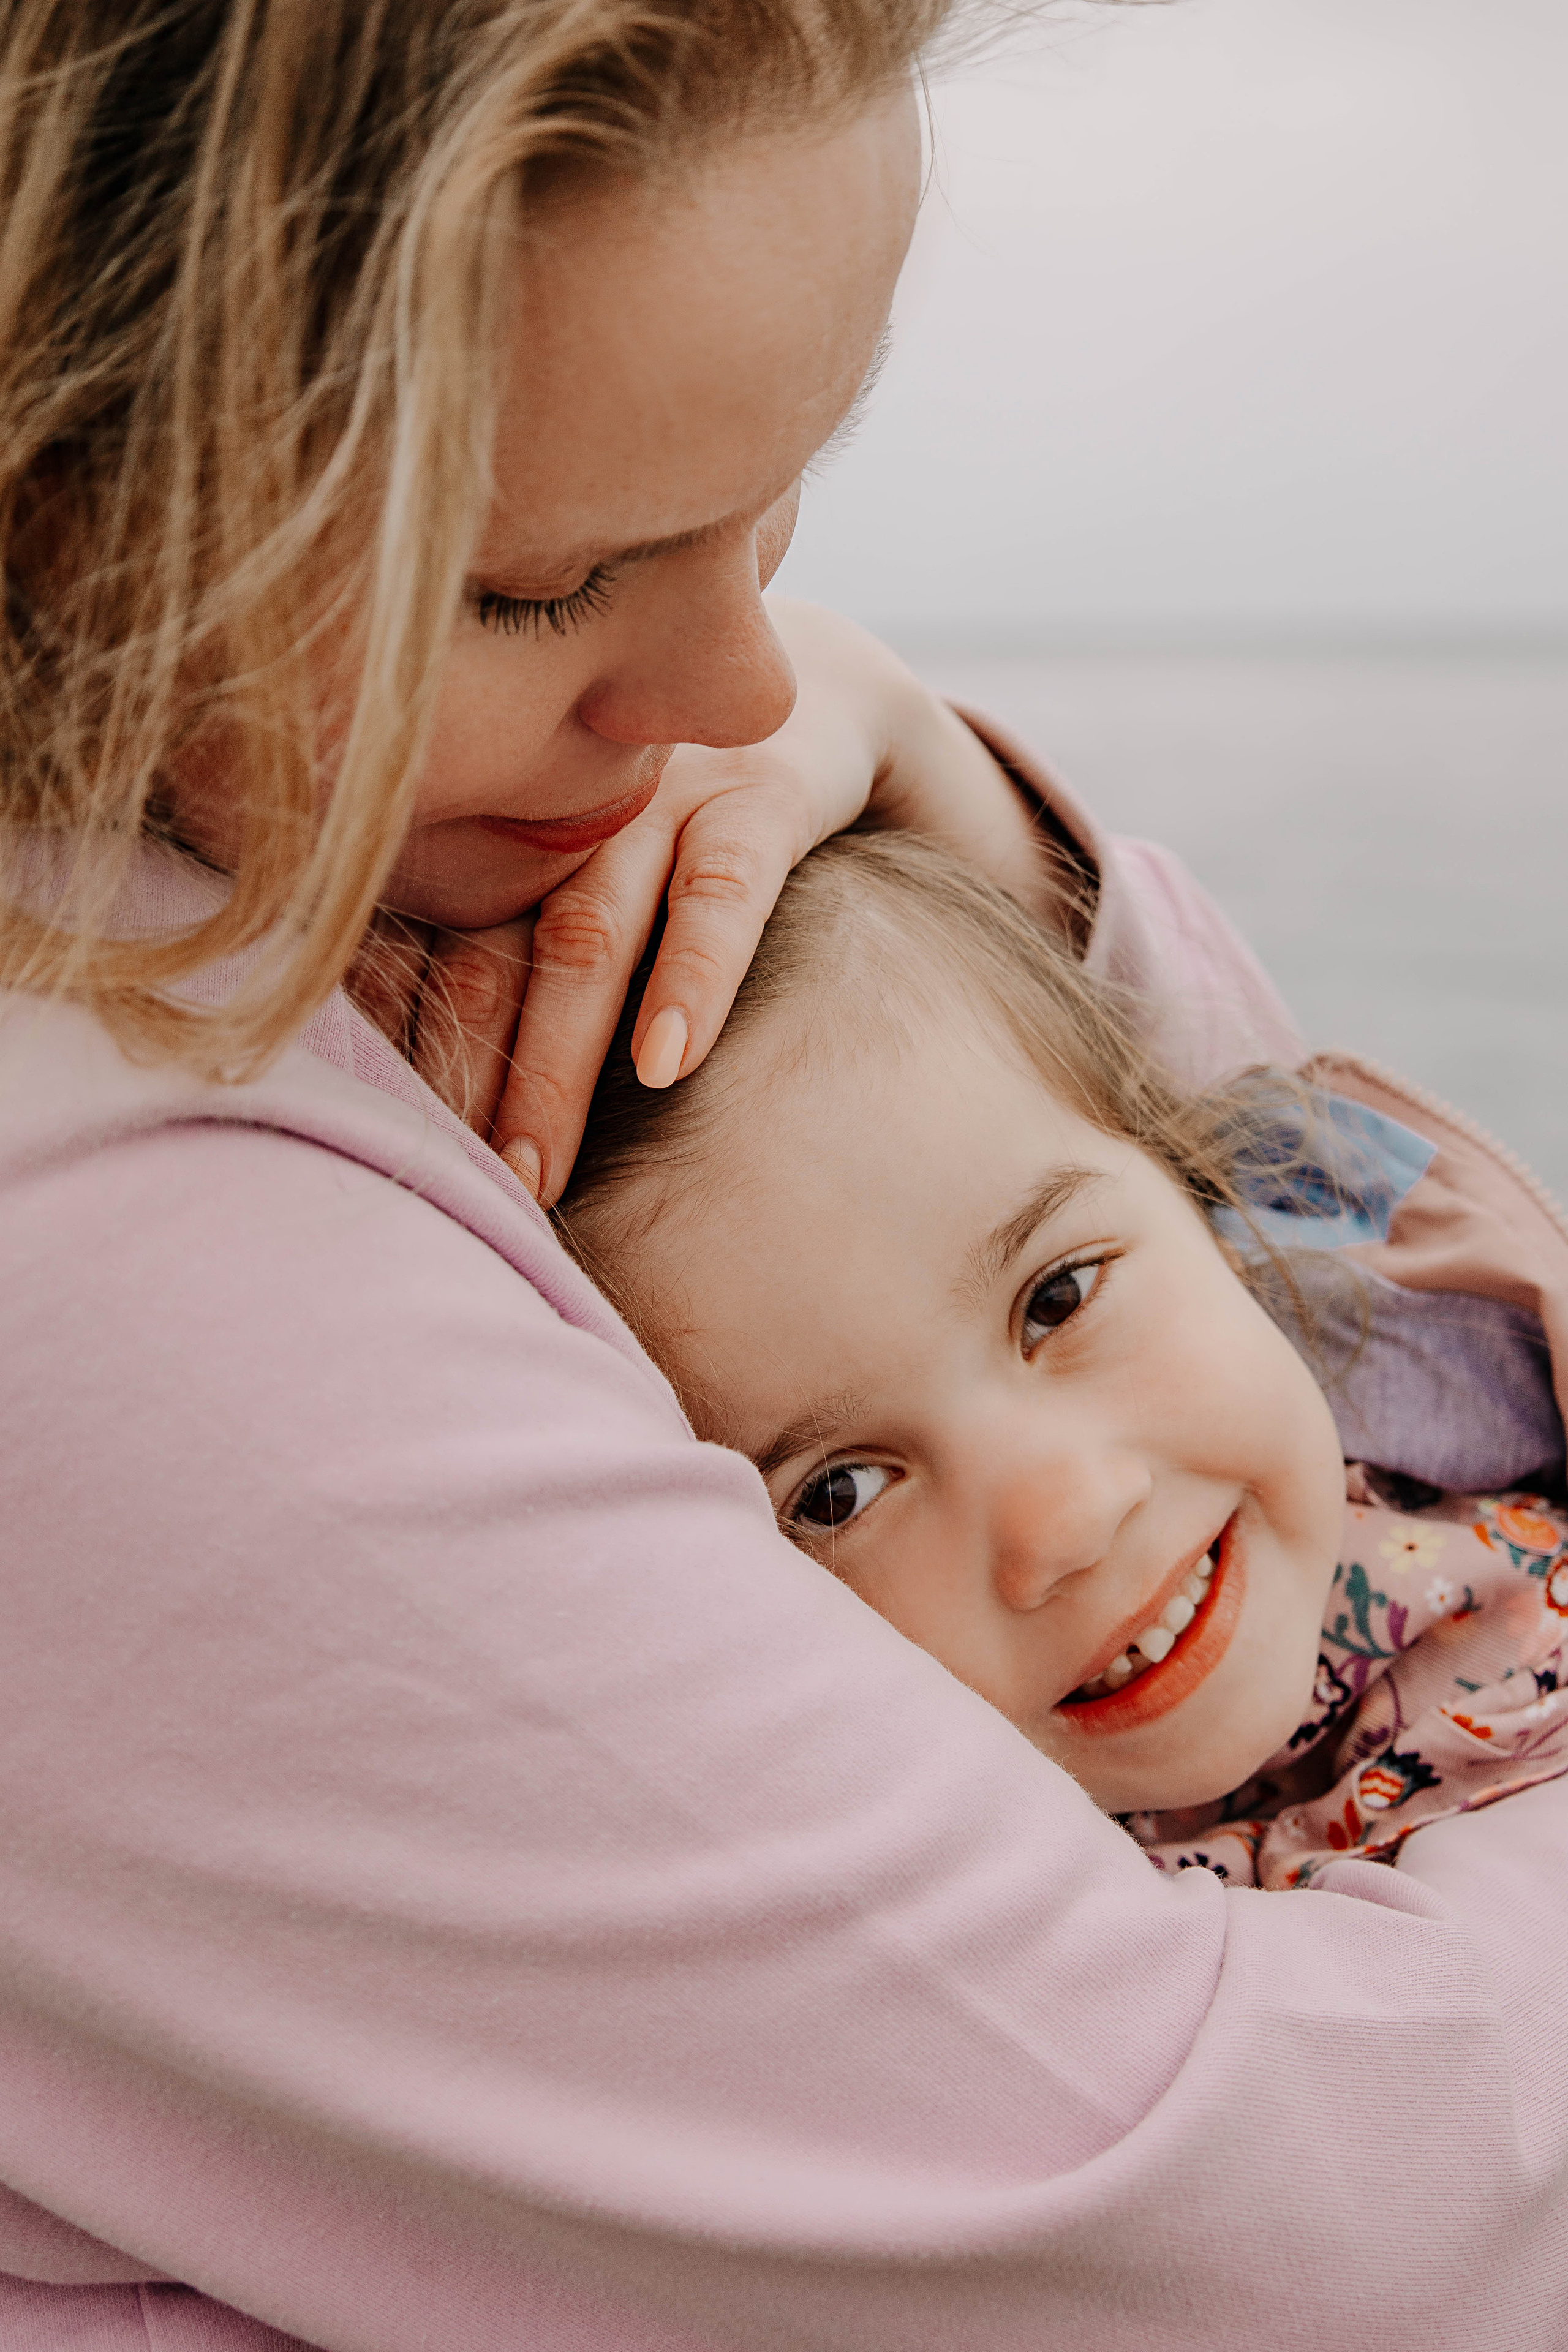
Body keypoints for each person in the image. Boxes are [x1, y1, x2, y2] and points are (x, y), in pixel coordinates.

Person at [4, 6, 1568, 2349]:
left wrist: (960, 814)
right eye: (537, 585)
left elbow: (1332, 1276)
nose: (745, 692)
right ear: (52, 491)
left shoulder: (386, 858)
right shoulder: (107, 1255)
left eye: (786, 498)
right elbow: (1277, 2243)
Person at [557, 829, 1568, 1885]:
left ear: (1194, 1186)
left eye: (1060, 1297)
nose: (1069, 1523)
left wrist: (918, 753)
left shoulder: (1512, 1475)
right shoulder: (905, 1923)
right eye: (838, 1493)